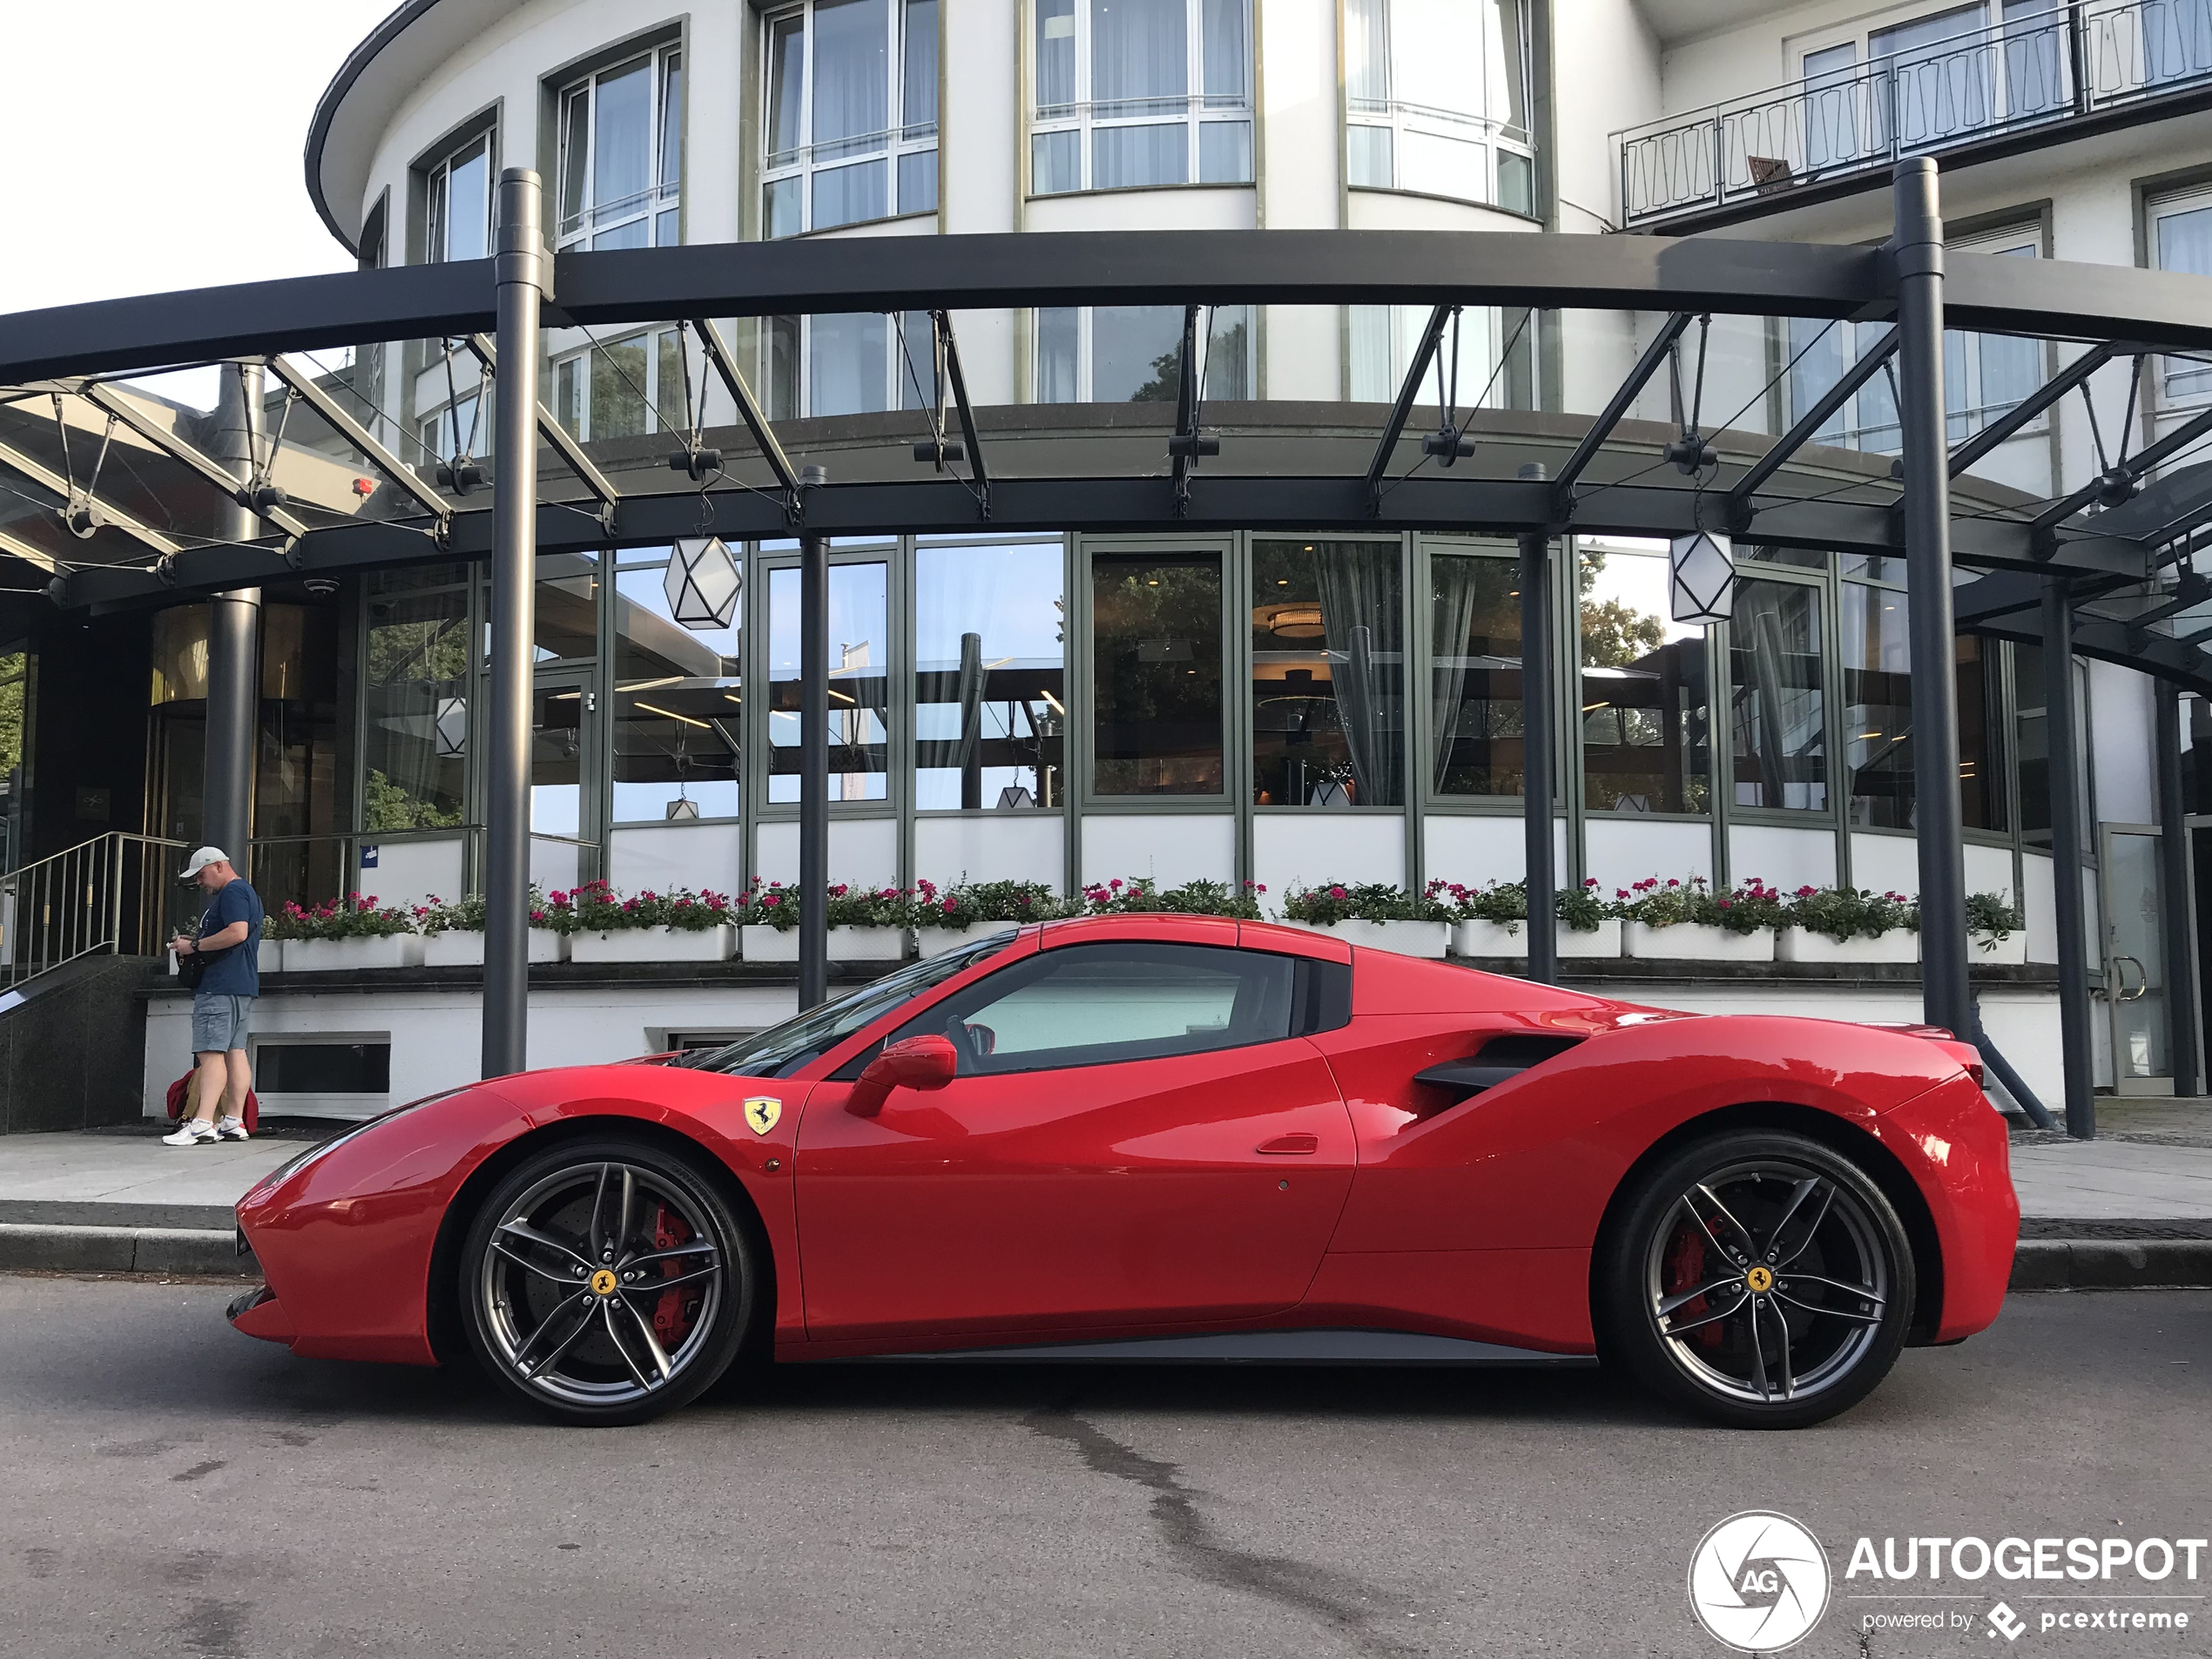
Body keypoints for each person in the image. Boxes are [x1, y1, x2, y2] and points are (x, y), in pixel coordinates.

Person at [162, 846, 264, 1147]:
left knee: (210, 1053)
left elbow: (237, 932)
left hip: (219, 985)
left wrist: (193, 945)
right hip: (242, 984)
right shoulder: (247, 893)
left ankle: (202, 1123)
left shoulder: (232, 893)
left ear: (218, 866)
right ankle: (233, 1120)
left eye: (202, 875)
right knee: (235, 1051)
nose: (200, 883)